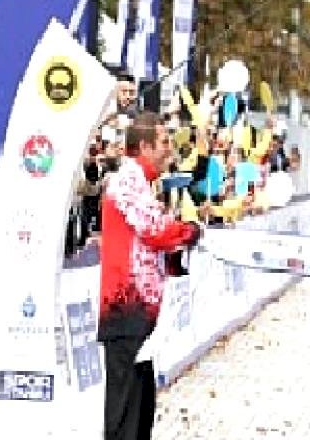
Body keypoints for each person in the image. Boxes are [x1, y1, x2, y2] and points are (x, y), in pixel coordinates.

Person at [98, 112, 202, 440]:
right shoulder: (128, 181)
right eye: (164, 143)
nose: (170, 150)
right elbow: (153, 230)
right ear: (143, 145)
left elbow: (148, 243)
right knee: (126, 416)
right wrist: (190, 232)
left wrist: (173, 261)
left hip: (140, 312)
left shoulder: (141, 183)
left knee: (141, 413)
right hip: (125, 308)